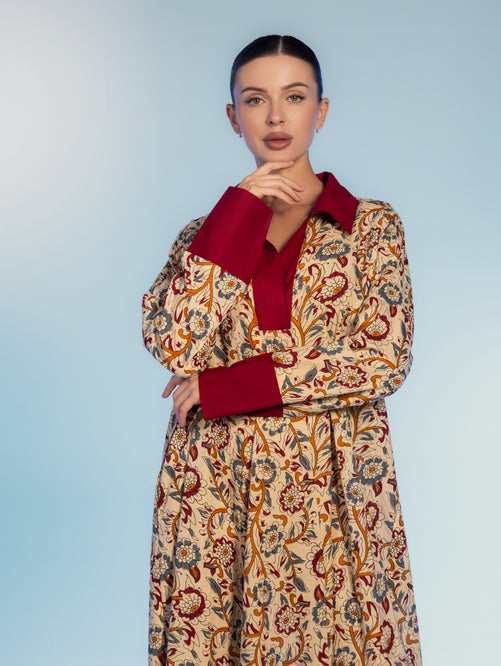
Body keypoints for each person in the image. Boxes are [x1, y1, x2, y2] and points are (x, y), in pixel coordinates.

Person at [142, 34, 422, 666]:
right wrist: (238, 212)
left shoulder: (371, 227)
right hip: (215, 481)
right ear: (232, 116)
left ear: (320, 111)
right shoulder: (205, 233)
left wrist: (227, 386)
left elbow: (384, 358)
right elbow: (172, 339)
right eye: (254, 100)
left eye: (294, 97)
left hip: (332, 482)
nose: (275, 117)